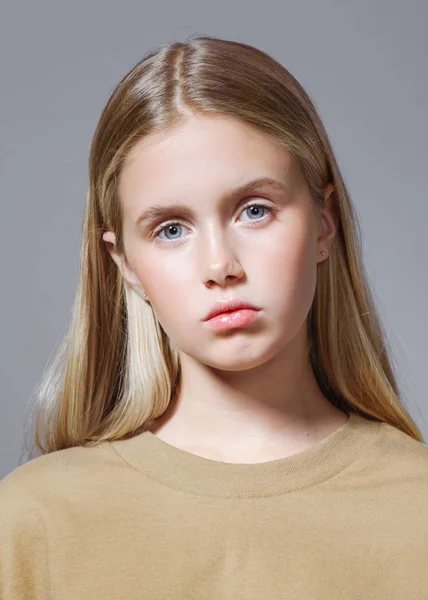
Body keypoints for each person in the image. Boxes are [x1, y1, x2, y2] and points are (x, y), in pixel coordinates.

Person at [1, 35, 427, 599]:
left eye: (255, 210)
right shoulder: (33, 523)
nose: (220, 265)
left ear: (325, 224)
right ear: (123, 262)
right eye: (170, 229)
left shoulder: (416, 506)